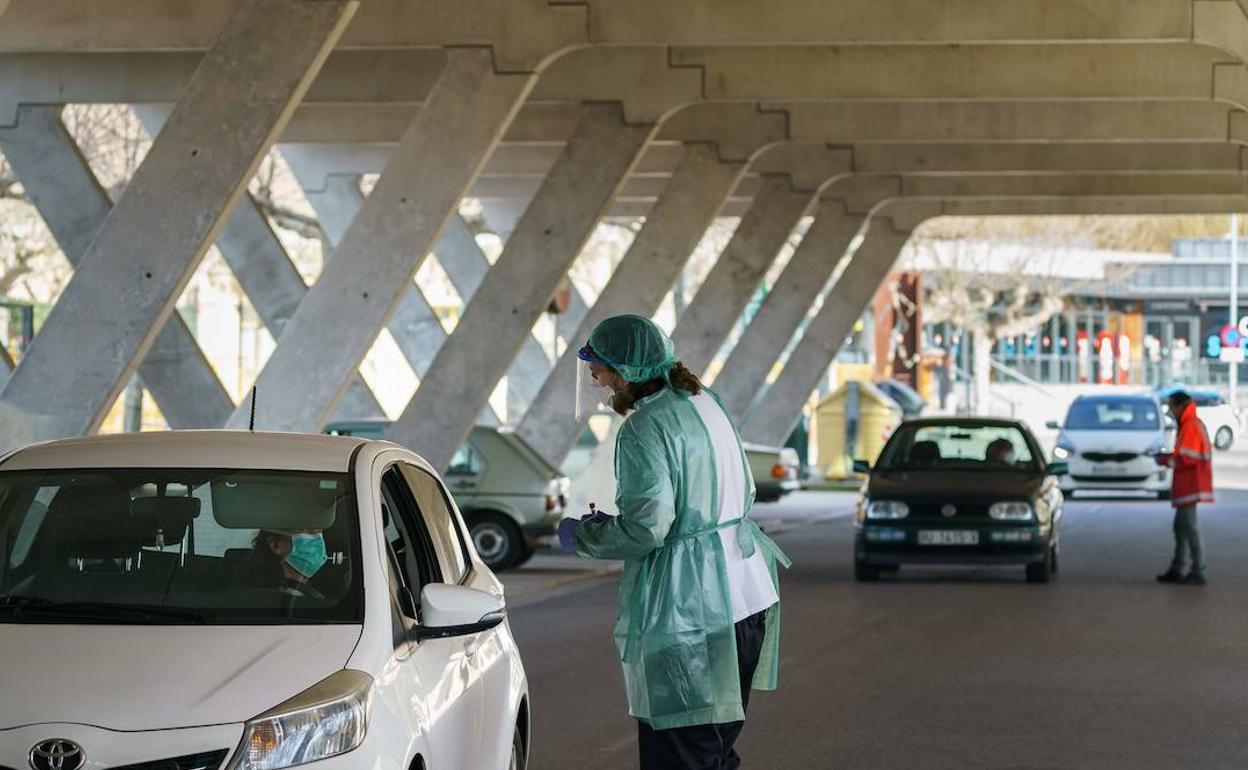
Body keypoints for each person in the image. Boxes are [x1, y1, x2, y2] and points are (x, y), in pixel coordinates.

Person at [560, 314, 790, 770]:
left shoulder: (645, 427)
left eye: (601, 373)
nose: (600, 383)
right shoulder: (704, 402)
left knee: (680, 754)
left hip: (693, 609)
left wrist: (583, 533)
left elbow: (647, 529)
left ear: (626, 371)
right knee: (715, 751)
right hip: (746, 596)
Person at [1154, 391, 1213, 586]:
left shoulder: (1190, 426)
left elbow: (1187, 458)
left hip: (1190, 484)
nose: (1170, 411)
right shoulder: (1190, 424)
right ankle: (1178, 568)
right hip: (1189, 484)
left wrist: (1165, 460)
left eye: (1171, 407)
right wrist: (1167, 458)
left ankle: (1198, 570)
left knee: (1188, 528)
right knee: (1181, 528)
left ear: (1180, 406)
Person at [237, 529, 327, 598]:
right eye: (307, 531)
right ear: (275, 544)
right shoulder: (254, 600)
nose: (318, 540)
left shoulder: (328, 602)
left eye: (319, 531)